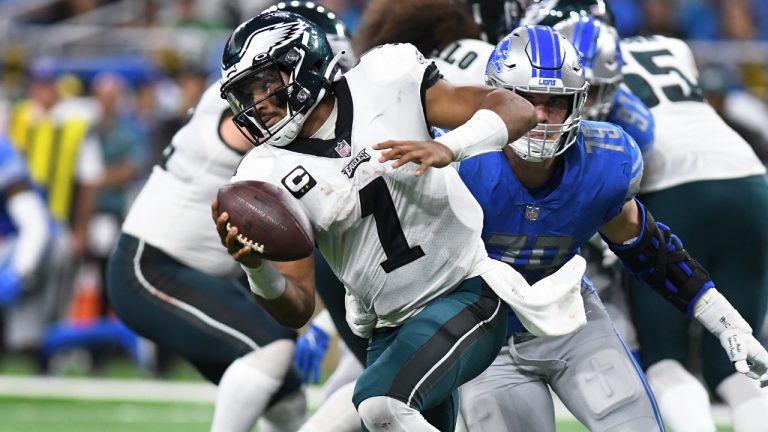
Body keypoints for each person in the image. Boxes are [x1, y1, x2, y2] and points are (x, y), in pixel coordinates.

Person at [213, 10, 590, 432]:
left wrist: (451, 147)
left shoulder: (384, 77)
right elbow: (296, 306)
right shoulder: (262, 174)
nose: (256, 106)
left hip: (465, 291)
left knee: (379, 402)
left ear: (303, 65)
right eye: (244, 94)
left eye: (264, 85)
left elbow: (515, 109)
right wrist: (255, 268)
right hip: (390, 328)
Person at [381, 24, 768, 431]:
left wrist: (724, 321)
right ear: (493, 99)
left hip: (571, 320)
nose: (540, 117)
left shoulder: (604, 163)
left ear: (578, 105)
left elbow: (651, 251)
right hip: (482, 338)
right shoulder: (454, 165)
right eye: (526, 101)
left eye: (556, 103)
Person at [107, 4, 366, 431]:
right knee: (269, 350)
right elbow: (280, 152)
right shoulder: (252, 113)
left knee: (286, 399)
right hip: (152, 269)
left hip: (193, 274)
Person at [5, 60, 104, 363]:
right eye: (37, 84)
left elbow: (89, 180)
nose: (42, 91)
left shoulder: (74, 125)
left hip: (57, 220)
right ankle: (22, 343)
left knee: (57, 281)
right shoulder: (18, 119)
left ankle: (50, 347)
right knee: (24, 280)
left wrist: (80, 230)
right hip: (14, 223)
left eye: (47, 85)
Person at [0, 134, 51, 334]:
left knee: (27, 342)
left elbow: (35, 225)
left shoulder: (3, 154)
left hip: (29, 247)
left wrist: (19, 272)